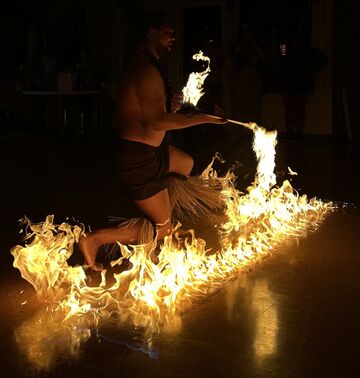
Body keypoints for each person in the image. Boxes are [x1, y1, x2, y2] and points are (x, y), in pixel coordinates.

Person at [79, 11, 227, 271]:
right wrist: (203, 118)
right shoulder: (145, 69)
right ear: (150, 33)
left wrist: (171, 104)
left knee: (186, 163)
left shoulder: (149, 64)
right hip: (138, 160)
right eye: (168, 32)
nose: (173, 38)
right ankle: (96, 239)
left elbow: (153, 110)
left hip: (154, 152)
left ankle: (165, 209)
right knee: (160, 229)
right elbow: (158, 122)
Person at [279, 33, 327, 139]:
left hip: (301, 83)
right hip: (288, 83)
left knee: (299, 110)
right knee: (290, 110)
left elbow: (323, 60)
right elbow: (281, 59)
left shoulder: (308, 52)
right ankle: (291, 134)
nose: (295, 43)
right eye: (293, 40)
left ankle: (298, 134)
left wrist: (314, 73)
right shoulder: (285, 50)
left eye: (297, 40)